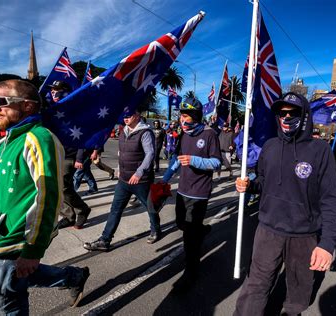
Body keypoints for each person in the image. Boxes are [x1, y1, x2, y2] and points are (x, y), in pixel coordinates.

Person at [0, 79, 89, 314]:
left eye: (0, 101)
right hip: (0, 233)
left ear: (27, 106)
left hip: (16, 238)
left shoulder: (39, 138)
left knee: (2, 307)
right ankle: (73, 276)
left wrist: (33, 250)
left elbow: (49, 198)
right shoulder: (11, 139)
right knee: (21, 277)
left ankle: (72, 276)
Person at [234, 92, 336, 316]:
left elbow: (332, 200)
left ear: (304, 116)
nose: (285, 117)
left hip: (303, 236)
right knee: (255, 286)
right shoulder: (270, 146)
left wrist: (327, 244)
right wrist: (250, 185)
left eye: (292, 113)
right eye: (281, 113)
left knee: (298, 293)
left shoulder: (320, 150)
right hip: (267, 231)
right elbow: (264, 181)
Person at [161, 97, 222, 291]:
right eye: (181, 115)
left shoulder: (209, 134)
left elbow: (216, 163)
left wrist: (195, 160)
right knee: (181, 224)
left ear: (196, 116)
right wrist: (164, 180)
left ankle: (191, 271)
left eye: (186, 115)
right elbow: (178, 160)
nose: (182, 119)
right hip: (183, 189)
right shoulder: (184, 134)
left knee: (189, 237)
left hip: (199, 193)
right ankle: (202, 231)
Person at [84, 108, 161, 250]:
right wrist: (119, 169)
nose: (126, 119)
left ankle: (156, 229)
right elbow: (121, 153)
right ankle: (105, 240)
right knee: (115, 209)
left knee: (150, 207)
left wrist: (139, 173)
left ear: (137, 115)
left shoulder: (145, 132)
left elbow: (150, 154)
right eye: (124, 116)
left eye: (129, 116)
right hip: (124, 180)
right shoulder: (123, 131)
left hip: (140, 181)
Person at [50, 81, 92, 230]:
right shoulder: (53, 110)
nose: (54, 93)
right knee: (53, 189)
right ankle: (69, 215)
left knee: (64, 188)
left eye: (58, 90)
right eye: (52, 91)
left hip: (70, 155)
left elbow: (85, 136)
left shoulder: (75, 111)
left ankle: (82, 209)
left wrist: (80, 157)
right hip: (54, 154)